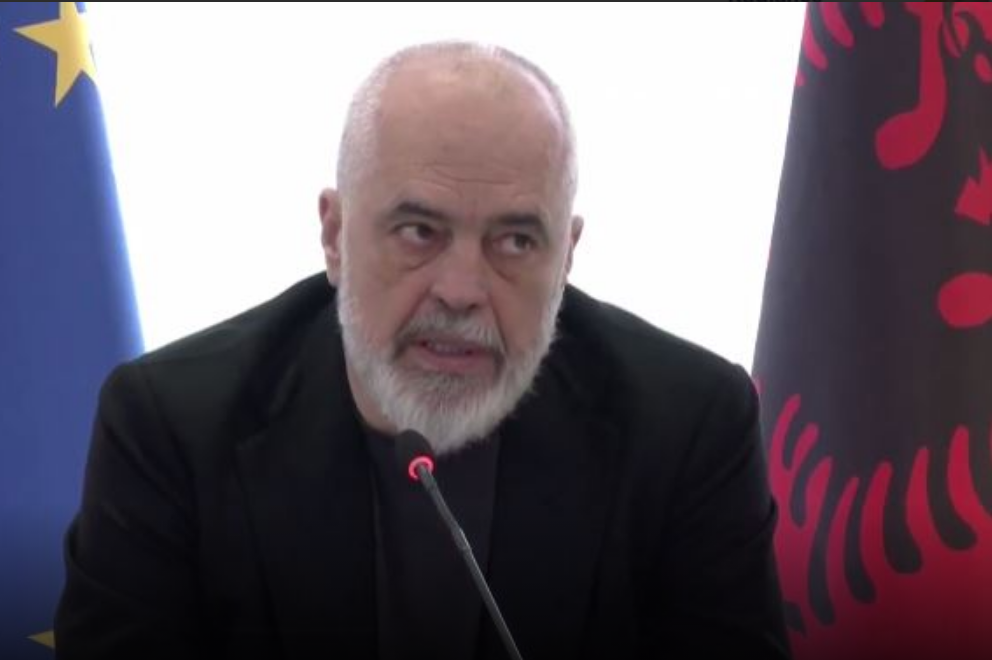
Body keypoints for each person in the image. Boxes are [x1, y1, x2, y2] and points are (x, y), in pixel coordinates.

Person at [54, 41, 790, 659]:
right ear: (335, 236)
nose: (462, 290)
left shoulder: (689, 426)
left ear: (566, 257)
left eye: (515, 241)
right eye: (419, 232)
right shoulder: (172, 425)